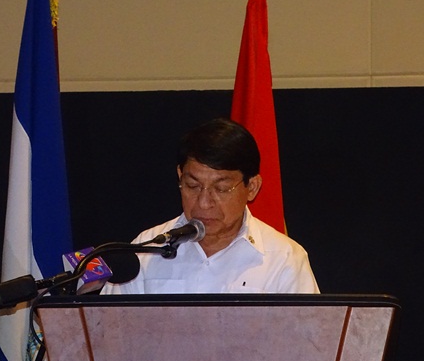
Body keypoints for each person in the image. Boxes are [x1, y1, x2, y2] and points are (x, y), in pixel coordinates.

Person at [101, 117, 319, 294]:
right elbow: (108, 329)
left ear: (252, 187)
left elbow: (308, 334)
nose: (204, 203)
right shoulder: (146, 250)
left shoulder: (284, 258)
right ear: (180, 176)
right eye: (193, 186)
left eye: (221, 189)